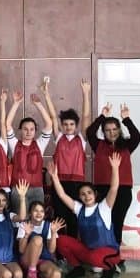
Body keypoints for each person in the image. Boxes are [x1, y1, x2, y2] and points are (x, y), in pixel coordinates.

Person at [51, 154, 123, 278]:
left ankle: (110, 267)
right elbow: (62, 195)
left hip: (108, 251)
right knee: (60, 240)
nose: (87, 196)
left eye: (89, 193)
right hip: (89, 251)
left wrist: (115, 168)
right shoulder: (79, 209)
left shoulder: (104, 207)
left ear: (95, 194)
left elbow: (114, 188)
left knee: (94, 258)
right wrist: (55, 177)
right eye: (83, 194)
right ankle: (77, 268)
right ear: (79, 197)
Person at [86, 102, 140, 259]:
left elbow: (137, 136)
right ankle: (102, 254)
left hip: (123, 190)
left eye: (114, 129)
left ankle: (115, 256)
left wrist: (126, 119)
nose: (111, 133)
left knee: (117, 222)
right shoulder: (99, 145)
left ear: (119, 130)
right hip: (102, 189)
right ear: (103, 132)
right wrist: (102, 116)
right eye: (108, 130)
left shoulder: (127, 146)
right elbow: (90, 132)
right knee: (103, 222)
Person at [44, 79, 91, 236]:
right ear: (62, 125)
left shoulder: (81, 139)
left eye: (71, 124)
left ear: (76, 126)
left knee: (74, 217)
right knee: (59, 216)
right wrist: (46, 94)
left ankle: (72, 246)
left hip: (77, 184)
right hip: (59, 182)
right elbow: (52, 116)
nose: (68, 127)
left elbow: (86, 116)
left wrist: (85, 93)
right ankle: (59, 248)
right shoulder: (59, 138)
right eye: (65, 124)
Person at [5, 90, 54, 213]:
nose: (28, 132)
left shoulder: (40, 144)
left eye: (32, 129)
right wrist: (16, 103)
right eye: (25, 129)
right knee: (20, 219)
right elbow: (7, 124)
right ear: (20, 130)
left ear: (35, 131)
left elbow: (49, 124)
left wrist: (38, 104)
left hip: (37, 189)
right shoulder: (14, 144)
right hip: (18, 189)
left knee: (36, 219)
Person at [16, 200, 65, 278]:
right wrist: (26, 235)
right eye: (36, 211)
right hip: (27, 260)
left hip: (43, 259)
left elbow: (51, 250)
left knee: (56, 276)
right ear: (30, 213)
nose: (39, 213)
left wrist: (53, 233)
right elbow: (21, 250)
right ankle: (32, 271)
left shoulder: (49, 225)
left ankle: (39, 274)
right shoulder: (24, 225)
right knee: (38, 239)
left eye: (41, 211)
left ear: (44, 214)